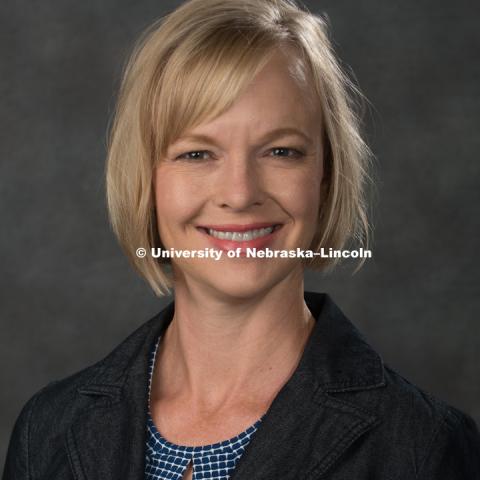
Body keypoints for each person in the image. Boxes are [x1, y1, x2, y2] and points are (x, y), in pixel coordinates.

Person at [3, 0, 480, 479]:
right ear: (144, 179)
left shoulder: (425, 448)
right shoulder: (47, 430)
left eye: (280, 151)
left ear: (327, 175)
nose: (239, 193)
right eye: (196, 154)